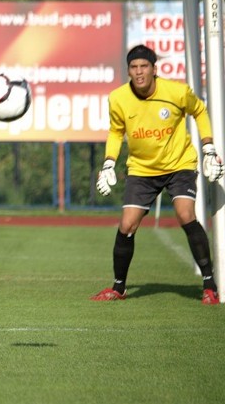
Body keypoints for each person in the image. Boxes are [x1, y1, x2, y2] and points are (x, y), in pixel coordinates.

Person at [92, 44, 224, 305]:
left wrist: (208, 147)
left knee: (186, 214)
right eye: (133, 67)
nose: (139, 72)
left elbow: (199, 110)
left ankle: (209, 285)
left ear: (155, 69)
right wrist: (108, 163)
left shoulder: (176, 92)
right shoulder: (118, 98)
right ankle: (118, 288)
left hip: (179, 164)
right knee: (127, 225)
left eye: (144, 66)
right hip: (141, 169)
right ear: (128, 70)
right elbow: (116, 131)